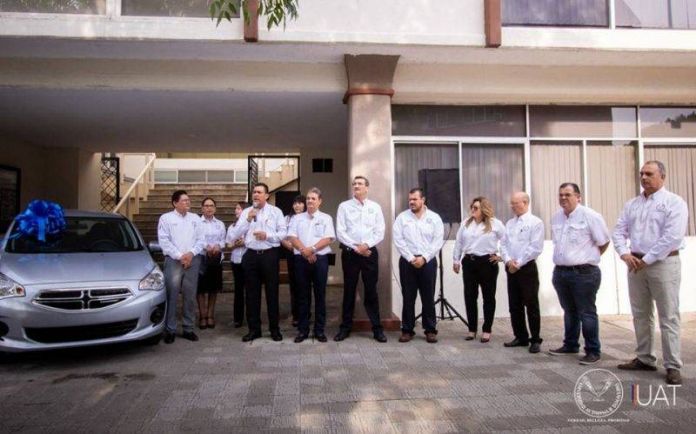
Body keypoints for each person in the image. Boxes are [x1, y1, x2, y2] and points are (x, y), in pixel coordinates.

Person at [613, 161, 688, 385]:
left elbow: (672, 237)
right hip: (635, 263)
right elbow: (618, 231)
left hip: (663, 263)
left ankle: (673, 365)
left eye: (649, 174)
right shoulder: (632, 204)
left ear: (662, 177)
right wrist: (624, 253)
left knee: (668, 315)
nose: (644, 177)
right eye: (642, 174)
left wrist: (646, 259)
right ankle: (645, 358)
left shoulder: (674, 202)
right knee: (640, 314)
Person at [549, 182, 610, 365]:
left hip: (584, 273)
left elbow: (604, 242)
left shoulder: (590, 216)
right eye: (561, 195)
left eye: (567, 195)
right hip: (561, 272)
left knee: (587, 312)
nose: (563, 198)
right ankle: (570, 344)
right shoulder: (556, 217)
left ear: (578, 197)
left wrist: (587, 257)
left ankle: (593, 350)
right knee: (569, 311)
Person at [226, 183, 287, 342]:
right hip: (251, 255)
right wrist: (247, 220)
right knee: (251, 294)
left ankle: (274, 329)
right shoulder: (246, 212)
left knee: (272, 293)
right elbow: (234, 235)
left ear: (267, 195)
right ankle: (254, 330)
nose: (255, 195)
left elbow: (283, 233)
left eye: (259, 192)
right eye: (254, 192)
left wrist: (267, 236)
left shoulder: (276, 211)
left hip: (269, 255)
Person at [334, 175, 388, 343]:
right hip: (350, 253)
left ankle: (377, 329)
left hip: (369, 254)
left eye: (360, 183)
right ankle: (345, 328)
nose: (356, 186)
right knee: (349, 290)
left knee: (371, 291)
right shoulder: (344, 206)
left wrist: (366, 245)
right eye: (354, 184)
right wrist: (357, 248)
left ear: (367, 187)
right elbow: (340, 232)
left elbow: (380, 231)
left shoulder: (375, 207)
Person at [393, 188, 444, 344]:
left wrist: (425, 258)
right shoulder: (402, 218)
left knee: (428, 296)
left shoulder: (434, 218)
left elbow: (437, 241)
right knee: (408, 297)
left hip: (428, 262)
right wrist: (410, 258)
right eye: (410, 199)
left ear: (423, 199)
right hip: (407, 262)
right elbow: (398, 240)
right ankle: (407, 330)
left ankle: (430, 330)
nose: (411, 202)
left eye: (415, 199)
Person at [453, 197, 505, 343]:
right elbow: (459, 242)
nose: (472, 210)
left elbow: (507, 241)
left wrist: (501, 257)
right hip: (469, 262)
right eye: (472, 207)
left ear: (484, 209)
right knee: (470, 296)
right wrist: (456, 260)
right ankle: (472, 329)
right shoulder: (466, 223)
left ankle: (487, 329)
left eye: (476, 208)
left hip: (487, 263)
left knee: (488, 297)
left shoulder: (495, 224)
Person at [287, 187, 335, 343]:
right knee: (302, 296)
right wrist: (304, 251)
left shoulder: (326, 218)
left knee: (320, 295)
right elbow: (292, 237)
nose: (309, 201)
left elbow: (328, 238)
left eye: (313, 198)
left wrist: (312, 249)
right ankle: (303, 330)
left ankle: (319, 330)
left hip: (320, 260)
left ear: (320, 201)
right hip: (301, 260)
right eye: (308, 198)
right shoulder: (297, 218)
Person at [157, 190, 205, 344]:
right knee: (171, 295)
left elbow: (201, 239)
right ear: (175, 203)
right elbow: (164, 241)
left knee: (190, 296)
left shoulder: (195, 218)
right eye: (184, 200)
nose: (187, 202)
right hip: (173, 261)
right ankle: (170, 329)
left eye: (188, 200)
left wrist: (191, 254)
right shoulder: (166, 218)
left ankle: (188, 328)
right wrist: (180, 256)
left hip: (193, 260)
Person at [500, 192, 544, 353]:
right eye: (511, 203)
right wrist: (507, 260)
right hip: (511, 267)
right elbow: (503, 245)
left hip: (526, 268)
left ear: (525, 203)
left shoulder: (535, 222)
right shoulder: (510, 223)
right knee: (514, 304)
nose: (512, 206)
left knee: (531, 304)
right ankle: (520, 336)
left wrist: (518, 263)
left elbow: (535, 247)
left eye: (515, 203)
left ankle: (535, 339)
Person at [196, 197, 226, 330]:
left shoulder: (220, 224)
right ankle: (202, 316)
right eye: (206, 206)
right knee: (200, 289)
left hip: (216, 258)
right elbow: (195, 239)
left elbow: (224, 240)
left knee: (213, 289)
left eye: (211, 205)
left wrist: (218, 246)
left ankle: (210, 315)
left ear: (215, 208)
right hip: (201, 258)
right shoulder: (197, 223)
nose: (209, 208)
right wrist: (206, 246)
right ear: (202, 208)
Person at [281, 195, 307, 327]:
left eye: (300, 203)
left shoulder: (308, 217)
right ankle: (296, 315)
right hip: (291, 253)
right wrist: (287, 244)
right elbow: (282, 235)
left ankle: (306, 313)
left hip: (305, 253)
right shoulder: (287, 218)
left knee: (305, 284)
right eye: (295, 203)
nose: (297, 205)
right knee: (294, 284)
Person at [228, 201, 249, 328]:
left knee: (250, 290)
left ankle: (251, 317)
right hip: (236, 260)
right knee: (238, 290)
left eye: (239, 208)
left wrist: (244, 242)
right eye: (236, 208)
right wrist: (235, 244)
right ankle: (238, 318)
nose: (236, 210)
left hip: (248, 260)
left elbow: (254, 241)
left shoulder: (251, 225)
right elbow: (228, 243)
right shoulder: (232, 227)